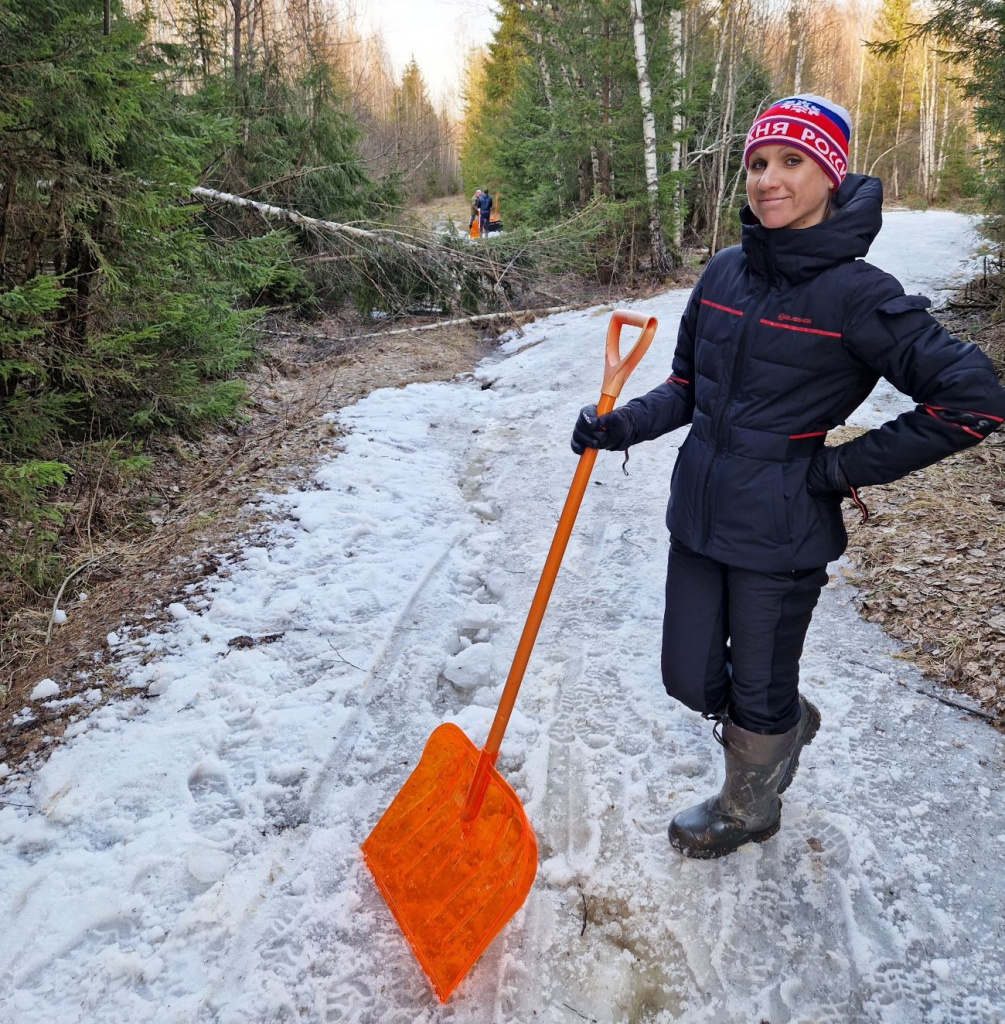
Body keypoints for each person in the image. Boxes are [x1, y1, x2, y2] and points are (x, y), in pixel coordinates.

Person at [571, 94, 1005, 860]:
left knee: (759, 682)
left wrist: (837, 468)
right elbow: (685, 388)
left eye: (791, 162)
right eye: (758, 163)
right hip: (699, 512)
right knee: (687, 675)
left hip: (782, 528)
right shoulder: (722, 274)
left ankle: (749, 803)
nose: (768, 179)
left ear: (829, 175)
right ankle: (777, 722)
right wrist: (619, 426)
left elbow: (972, 401)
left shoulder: (858, 294)